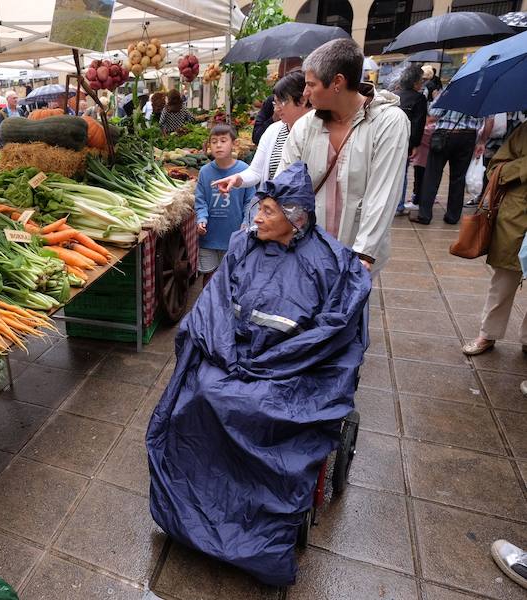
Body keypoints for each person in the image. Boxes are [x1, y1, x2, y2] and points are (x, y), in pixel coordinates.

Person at [147, 162, 371, 587]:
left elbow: (333, 336)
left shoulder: (332, 264)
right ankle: (190, 513)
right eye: (259, 209)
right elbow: (212, 304)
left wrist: (272, 364)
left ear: (295, 216)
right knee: (199, 397)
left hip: (292, 372)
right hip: (232, 358)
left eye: (268, 211)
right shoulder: (243, 245)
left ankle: (256, 537)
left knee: (256, 407)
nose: (258, 218)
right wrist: (229, 354)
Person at [280, 38, 410, 273]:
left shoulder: (388, 122)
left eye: (311, 84)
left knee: (347, 309)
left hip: (355, 251)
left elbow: (383, 194)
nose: (305, 92)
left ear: (337, 82)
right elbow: (285, 184)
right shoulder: (306, 126)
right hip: (307, 251)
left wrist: (363, 255)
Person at [460, 121, 527, 357]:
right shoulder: (523, 131)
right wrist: (524, 166)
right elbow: (495, 170)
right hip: (516, 220)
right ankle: (487, 334)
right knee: (503, 283)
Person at [214, 71, 310, 197]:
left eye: (282, 102)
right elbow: (255, 171)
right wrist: (237, 179)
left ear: (302, 100)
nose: (276, 109)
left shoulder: (315, 133)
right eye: (275, 103)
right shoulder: (273, 131)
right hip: (273, 208)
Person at [195, 124, 255, 284]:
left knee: (231, 278)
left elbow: (250, 201)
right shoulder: (205, 172)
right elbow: (200, 201)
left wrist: (246, 223)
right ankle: (208, 308)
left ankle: (227, 308)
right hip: (209, 238)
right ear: (208, 146)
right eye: (214, 141)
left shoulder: (244, 170)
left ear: (234, 143)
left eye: (223, 140)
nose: (218, 145)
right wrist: (201, 219)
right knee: (208, 278)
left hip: (234, 237)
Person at [412, 100, 486, 225]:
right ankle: (453, 216)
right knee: (458, 178)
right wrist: (482, 141)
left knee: (432, 176)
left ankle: (424, 215)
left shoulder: (452, 90)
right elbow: (487, 119)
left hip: (444, 135)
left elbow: (434, 112)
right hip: (468, 136)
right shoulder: (482, 95)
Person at [394, 64, 428, 216]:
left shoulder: (394, 95)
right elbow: (418, 124)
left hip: (389, 139)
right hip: (405, 142)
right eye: (421, 81)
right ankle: (398, 205)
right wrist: (415, 145)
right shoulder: (419, 99)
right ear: (415, 83)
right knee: (401, 174)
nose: (422, 84)